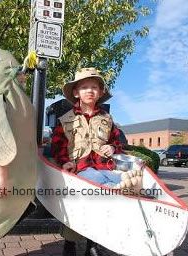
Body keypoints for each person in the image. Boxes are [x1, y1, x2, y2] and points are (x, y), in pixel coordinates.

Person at [50, 67, 141, 256]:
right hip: (79, 169)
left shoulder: (107, 119)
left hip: (104, 166)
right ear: (76, 92)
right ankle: (70, 244)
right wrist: (65, 162)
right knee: (80, 203)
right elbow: (58, 146)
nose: (90, 91)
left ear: (100, 92)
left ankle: (93, 243)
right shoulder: (65, 119)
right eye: (84, 87)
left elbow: (117, 140)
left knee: (105, 197)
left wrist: (114, 147)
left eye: (94, 87)